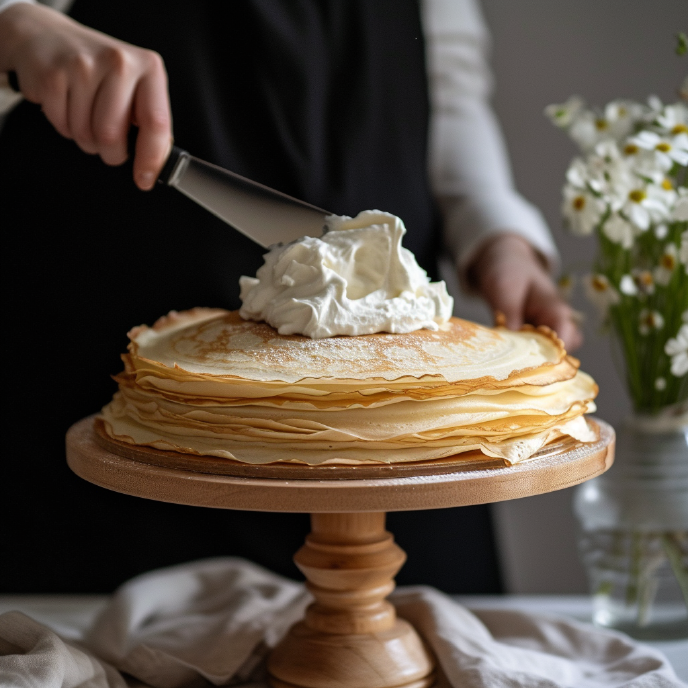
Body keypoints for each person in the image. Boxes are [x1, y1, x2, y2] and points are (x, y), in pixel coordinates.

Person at [0, 0, 580, 594]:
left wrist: (497, 236)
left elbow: (447, 83)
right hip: (122, 410)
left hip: (406, 431)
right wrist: (12, 26)